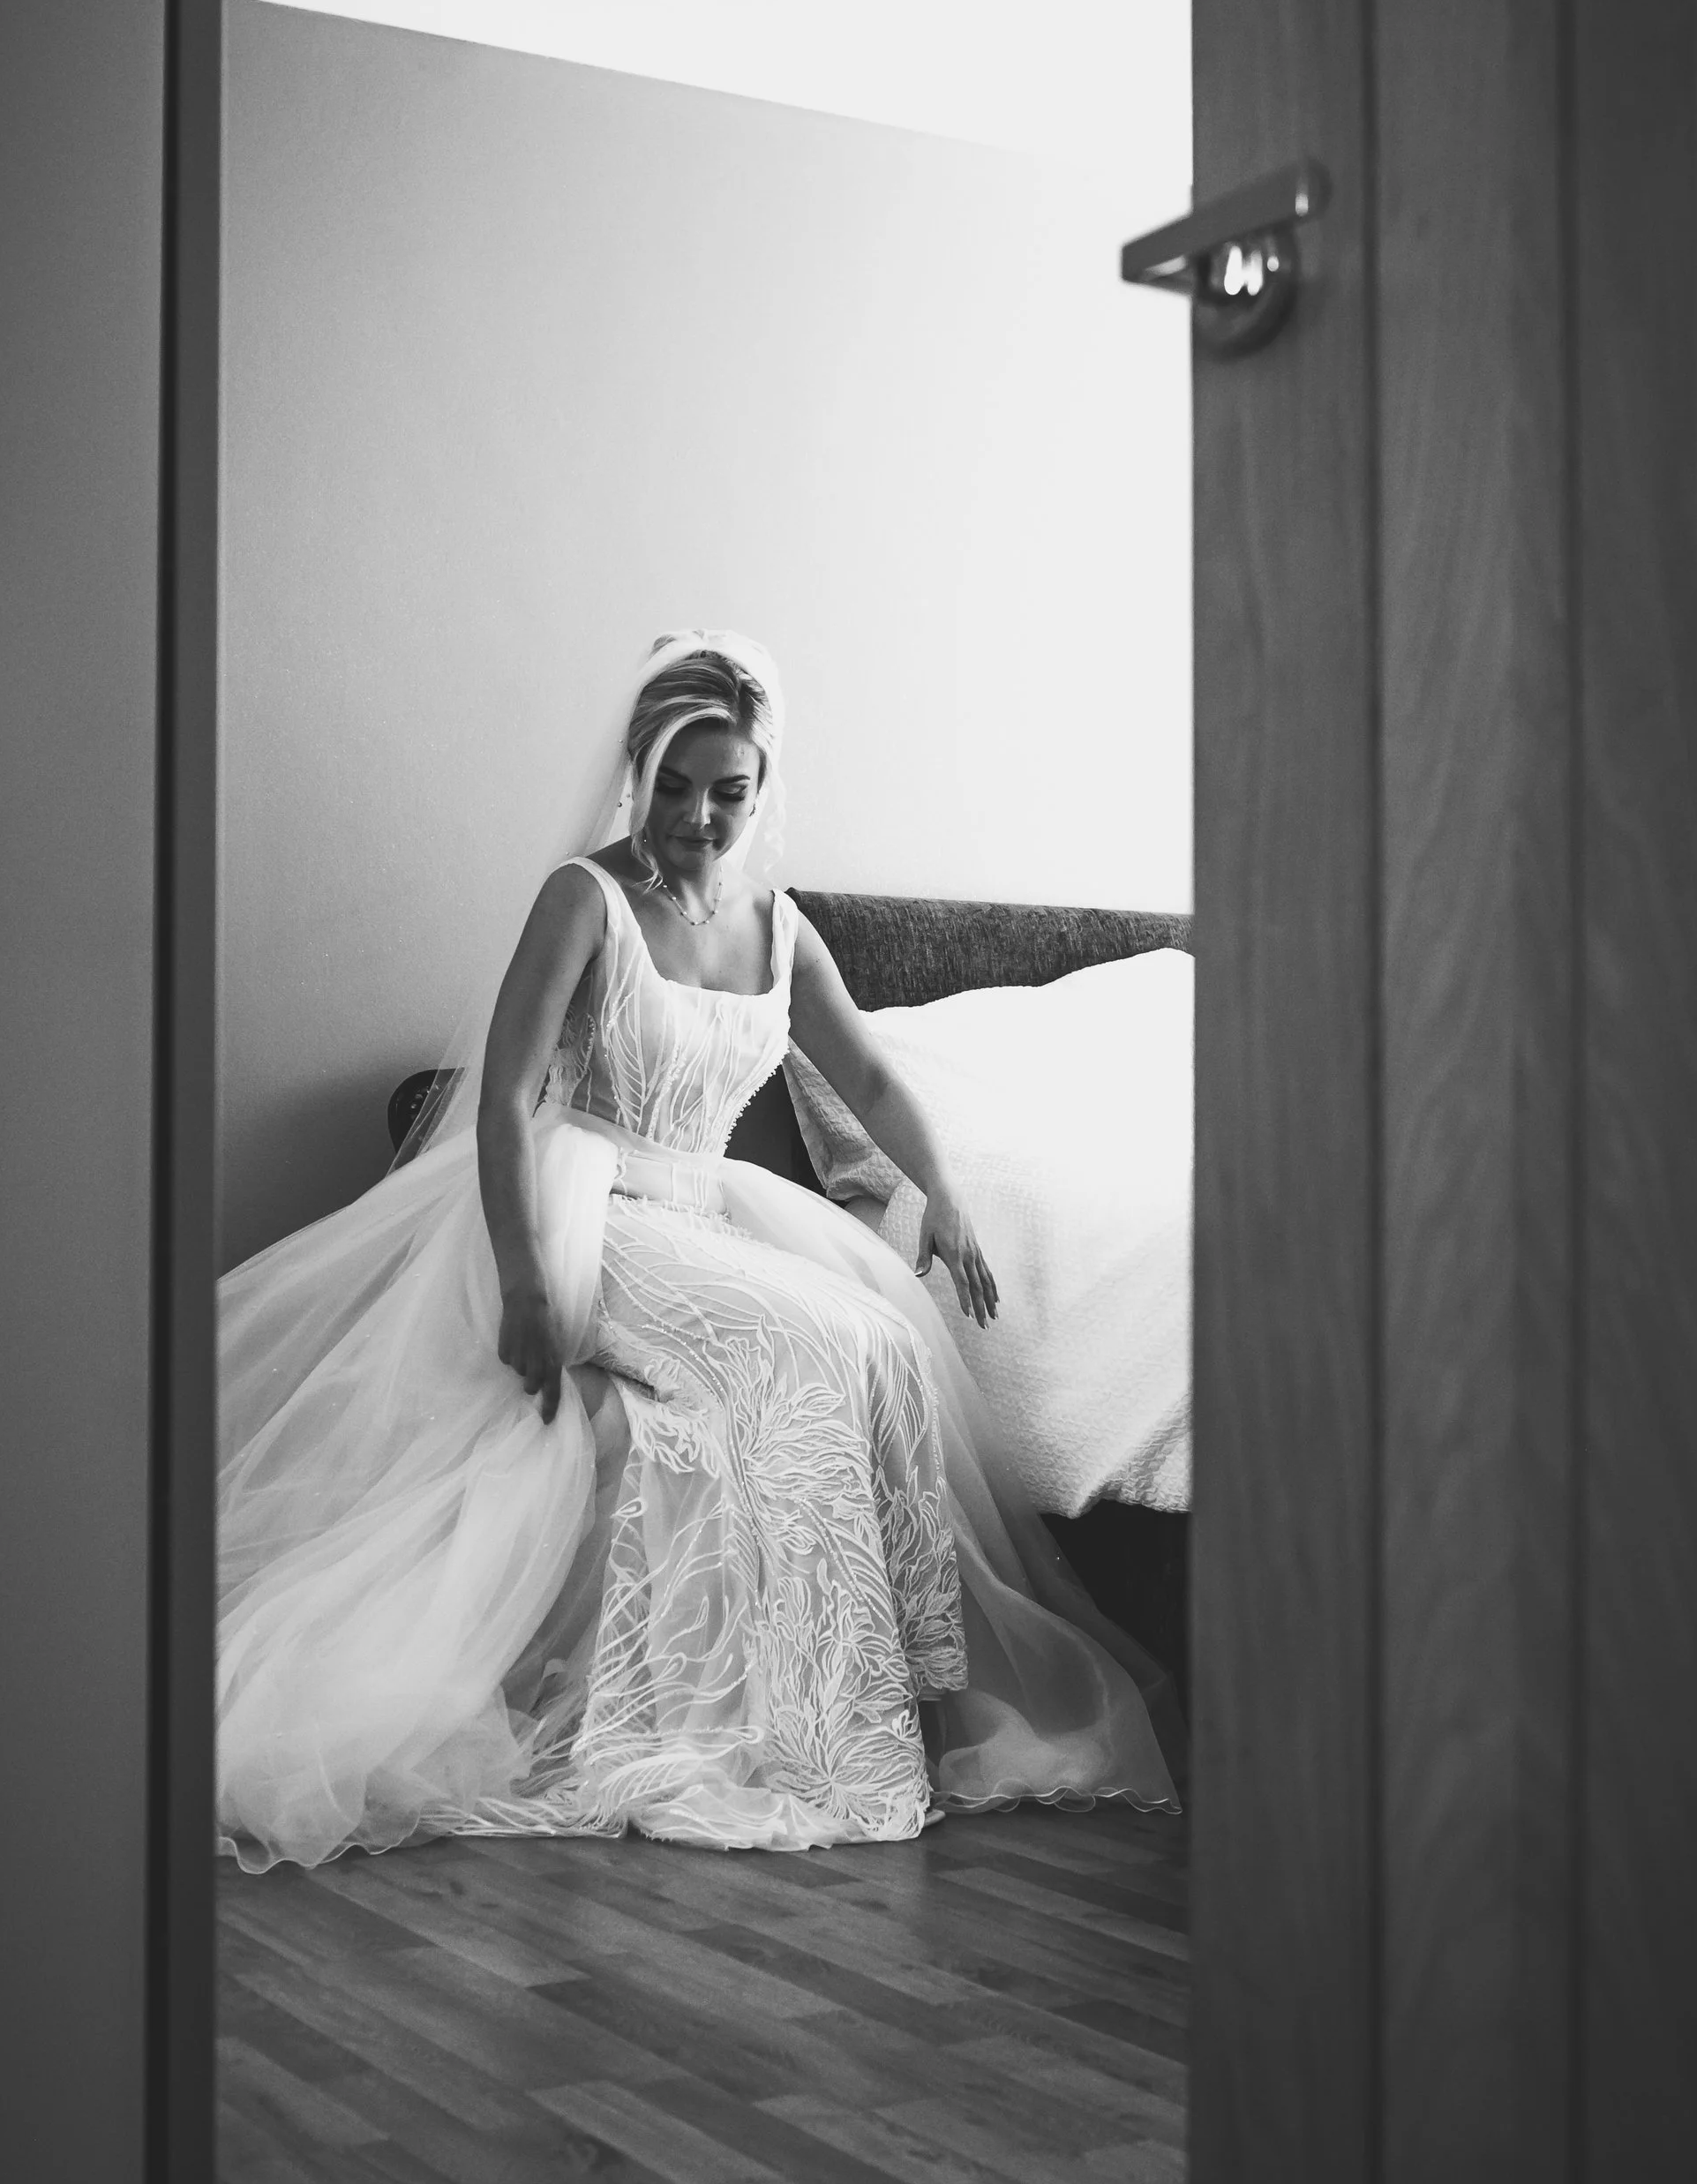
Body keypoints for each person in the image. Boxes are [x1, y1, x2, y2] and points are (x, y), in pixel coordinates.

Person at [215, 630, 1176, 1868]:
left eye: (729, 791)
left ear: (762, 790)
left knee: (884, 1337)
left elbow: (868, 1071)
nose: (700, 817)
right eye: (676, 785)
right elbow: (507, 1099)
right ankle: (815, 1742)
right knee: (816, 1344)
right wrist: (524, 1279)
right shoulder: (586, 899)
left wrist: (946, 1194)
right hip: (596, 1209)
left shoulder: (779, 927)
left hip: (710, 1210)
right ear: (639, 773)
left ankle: (877, 1703)